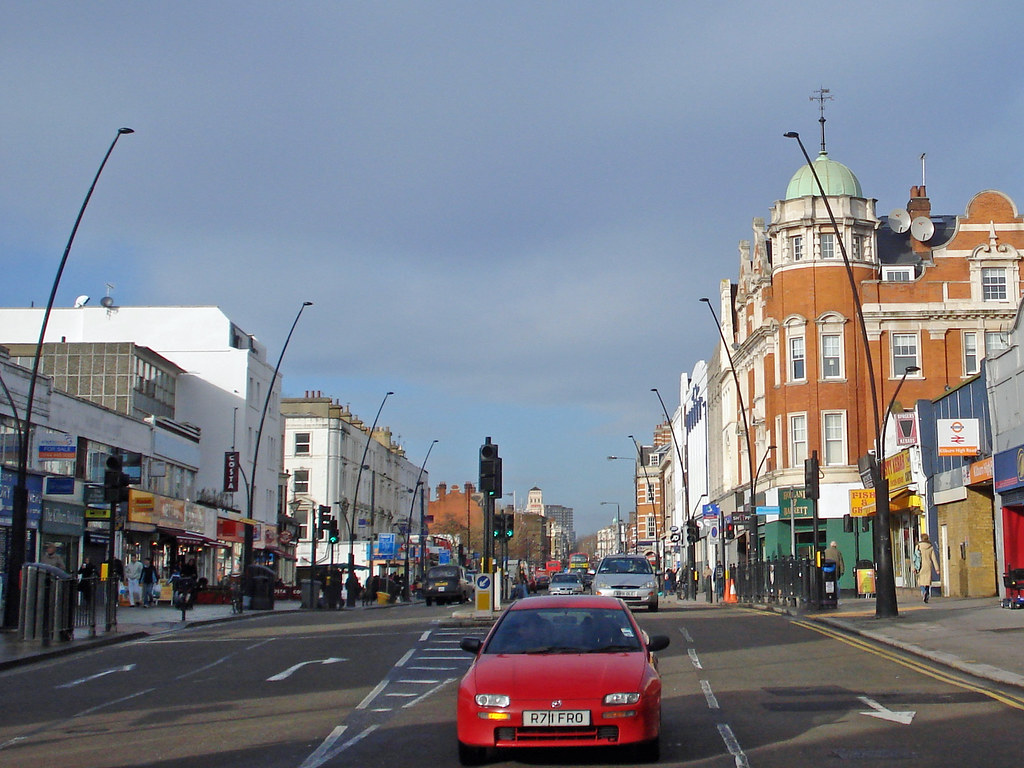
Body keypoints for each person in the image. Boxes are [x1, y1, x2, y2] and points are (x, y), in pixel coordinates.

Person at [915, 532, 941, 603]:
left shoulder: (918, 546)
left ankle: (923, 592)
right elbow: (934, 558)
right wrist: (937, 569)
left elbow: (915, 557)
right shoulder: (930, 547)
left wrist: (914, 567)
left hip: (920, 565)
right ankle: (927, 592)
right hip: (928, 565)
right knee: (927, 581)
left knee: (920, 581)